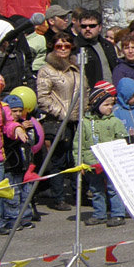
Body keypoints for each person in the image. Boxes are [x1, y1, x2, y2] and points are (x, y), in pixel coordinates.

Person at [36, 31, 82, 210]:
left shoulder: (76, 67)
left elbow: (82, 91)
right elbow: (43, 98)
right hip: (58, 120)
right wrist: (62, 113)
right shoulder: (47, 70)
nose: (63, 49)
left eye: (67, 46)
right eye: (59, 46)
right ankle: (58, 197)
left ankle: (77, 193)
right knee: (58, 160)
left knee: (74, 158)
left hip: (76, 119)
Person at [75, 81, 129, 227]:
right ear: (95, 105)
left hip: (111, 162)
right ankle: (100, 213)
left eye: (111, 104)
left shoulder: (115, 122)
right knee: (96, 189)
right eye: (106, 104)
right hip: (91, 162)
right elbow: (77, 144)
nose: (110, 107)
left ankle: (118, 213)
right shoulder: (85, 123)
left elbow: (122, 140)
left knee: (113, 188)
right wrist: (78, 163)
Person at [0, 92, 41, 234]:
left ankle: (25, 216)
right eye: (14, 111)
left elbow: (34, 141)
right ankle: (12, 219)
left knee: (26, 193)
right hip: (12, 166)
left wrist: (29, 129)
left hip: (26, 165)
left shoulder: (27, 122)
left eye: (20, 110)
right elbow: (8, 142)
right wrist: (19, 128)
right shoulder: (8, 127)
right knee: (13, 194)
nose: (17, 114)